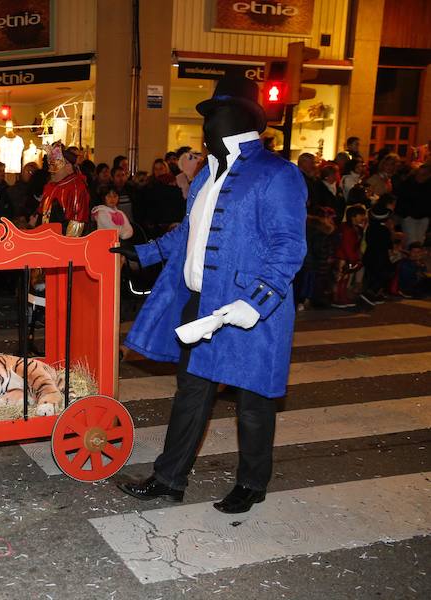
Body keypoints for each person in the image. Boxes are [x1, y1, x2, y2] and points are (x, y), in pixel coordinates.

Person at [111, 75, 307, 514]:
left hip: (251, 309)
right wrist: (139, 252)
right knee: (191, 392)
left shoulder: (277, 174)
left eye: (212, 116)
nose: (205, 127)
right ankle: (169, 478)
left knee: (253, 402)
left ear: (237, 119)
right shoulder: (205, 175)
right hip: (203, 303)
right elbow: (189, 234)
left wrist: (254, 303)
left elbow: (289, 246)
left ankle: (253, 483)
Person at [33, 143, 90, 237]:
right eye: (49, 166)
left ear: (68, 167)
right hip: (46, 239)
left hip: (61, 241)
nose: (50, 170)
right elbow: (42, 214)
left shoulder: (76, 187)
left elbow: (77, 221)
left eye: (54, 166)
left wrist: (65, 246)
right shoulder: (51, 186)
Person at [331, 204, 367, 308]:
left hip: (345, 257)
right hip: (343, 258)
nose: (363, 217)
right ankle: (337, 299)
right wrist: (354, 259)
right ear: (353, 216)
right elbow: (348, 246)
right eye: (361, 215)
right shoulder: (348, 230)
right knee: (340, 279)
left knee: (344, 279)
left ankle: (342, 297)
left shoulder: (353, 228)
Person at [395, 163, 430, 247]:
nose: (420, 177)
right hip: (409, 217)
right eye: (418, 174)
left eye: (424, 175)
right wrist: (404, 215)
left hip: (424, 218)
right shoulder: (408, 184)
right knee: (411, 241)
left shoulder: (428, 186)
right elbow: (401, 201)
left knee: (420, 241)